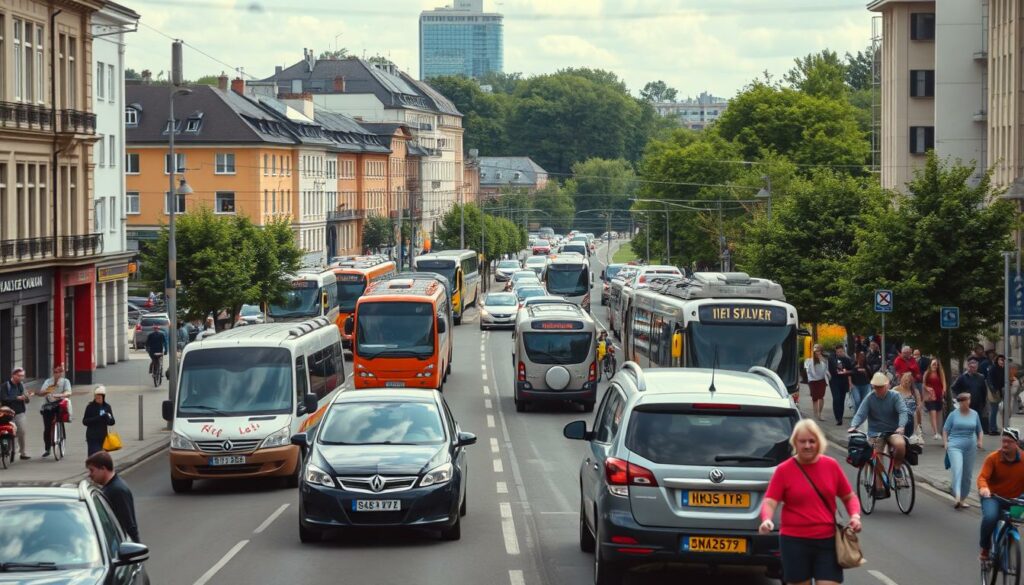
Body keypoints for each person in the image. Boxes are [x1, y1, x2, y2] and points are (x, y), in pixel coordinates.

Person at [759, 419, 862, 585]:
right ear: (795, 443)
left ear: (819, 442)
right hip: (794, 542)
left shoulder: (831, 466)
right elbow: (770, 500)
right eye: (802, 441)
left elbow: (849, 496)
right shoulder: (784, 470)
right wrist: (766, 519)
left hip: (827, 542)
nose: (807, 446)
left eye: (812, 441)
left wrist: (855, 516)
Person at [849, 372, 909, 496]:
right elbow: (860, 414)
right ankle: (880, 486)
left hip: (893, 430)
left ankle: (897, 469)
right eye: (876, 387)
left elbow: (903, 411)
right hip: (875, 432)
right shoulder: (870, 398)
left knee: (900, 444)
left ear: (887, 386)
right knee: (875, 456)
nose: (878, 389)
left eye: (881, 387)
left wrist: (901, 426)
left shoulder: (895, 396)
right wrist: (853, 426)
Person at [978, 428, 1024, 561]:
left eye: (1009, 442)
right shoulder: (993, 458)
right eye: (1003, 441)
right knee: (991, 518)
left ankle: (1008, 538)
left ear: (1016, 444)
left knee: (1015, 520)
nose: (1005, 445)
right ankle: (985, 548)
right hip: (993, 497)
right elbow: (982, 477)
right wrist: (984, 488)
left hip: (1015, 499)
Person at [85, 451, 140, 542]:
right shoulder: (109, 488)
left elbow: (129, 525)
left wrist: (136, 548)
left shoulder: (117, 491)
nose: (89, 475)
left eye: (92, 470)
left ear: (103, 469)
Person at [944, 392, 983, 509]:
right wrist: (946, 443)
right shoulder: (953, 415)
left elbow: (979, 430)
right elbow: (945, 430)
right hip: (955, 445)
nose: (966, 402)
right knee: (958, 469)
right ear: (960, 402)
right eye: (964, 401)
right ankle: (956, 497)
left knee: (967, 474)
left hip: (970, 446)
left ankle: (962, 499)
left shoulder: (974, 414)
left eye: (968, 400)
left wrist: (980, 441)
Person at [38, 365, 72, 458]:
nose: (56, 374)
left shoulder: (65, 381)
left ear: (62, 373)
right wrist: (49, 389)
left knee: (60, 419)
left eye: (59, 372)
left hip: (59, 405)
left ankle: (61, 437)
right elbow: (41, 393)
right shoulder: (48, 381)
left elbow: (68, 392)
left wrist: (62, 395)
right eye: (55, 372)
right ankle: (47, 448)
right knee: (47, 428)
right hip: (48, 405)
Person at [952, 358, 990, 433]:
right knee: (967, 424)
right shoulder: (962, 377)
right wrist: (959, 398)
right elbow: (954, 388)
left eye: (975, 367)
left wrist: (983, 403)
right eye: (971, 367)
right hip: (966, 404)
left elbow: (984, 391)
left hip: (978, 405)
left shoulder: (981, 377)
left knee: (976, 424)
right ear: (968, 366)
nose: (973, 369)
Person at [0, 367, 30, 460]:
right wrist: (17, 398)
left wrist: (27, 397)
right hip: (7, 413)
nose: (22, 378)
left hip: (19, 412)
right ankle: (7, 450)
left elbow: (26, 399)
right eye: (20, 376)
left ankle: (23, 452)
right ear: (13, 375)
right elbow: (3, 398)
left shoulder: (21, 385)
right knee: (8, 431)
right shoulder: (6, 385)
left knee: (22, 431)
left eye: (23, 376)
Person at [82, 386, 115, 456]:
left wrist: (107, 418)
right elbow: (85, 421)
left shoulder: (107, 407)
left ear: (103, 397)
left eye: (100, 396)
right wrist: (98, 418)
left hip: (103, 437)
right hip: (92, 437)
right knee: (94, 456)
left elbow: (112, 422)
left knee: (102, 458)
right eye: (96, 396)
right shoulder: (90, 407)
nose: (98, 398)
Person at [828, 345, 853, 426]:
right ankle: (838, 418)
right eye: (838, 352)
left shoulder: (847, 359)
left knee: (842, 400)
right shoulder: (832, 358)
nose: (839, 353)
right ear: (835, 352)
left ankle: (840, 417)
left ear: (843, 351)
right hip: (834, 381)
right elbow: (833, 363)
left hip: (843, 381)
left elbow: (851, 370)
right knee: (836, 398)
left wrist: (846, 372)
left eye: (841, 351)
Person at [893, 372, 923, 439]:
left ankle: (913, 433)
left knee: (914, 414)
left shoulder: (915, 392)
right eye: (905, 380)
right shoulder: (895, 390)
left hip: (911, 416)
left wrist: (918, 408)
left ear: (911, 383)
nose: (906, 383)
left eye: (909, 382)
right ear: (901, 380)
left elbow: (919, 406)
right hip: (898, 415)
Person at [923, 358, 947, 440]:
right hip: (930, 397)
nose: (935, 366)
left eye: (936, 364)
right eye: (933, 364)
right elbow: (924, 384)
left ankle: (939, 431)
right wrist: (927, 388)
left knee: (939, 415)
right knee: (933, 413)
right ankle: (936, 432)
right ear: (930, 365)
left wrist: (944, 391)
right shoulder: (927, 373)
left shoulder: (940, 373)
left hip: (939, 396)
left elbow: (944, 383)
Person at [804, 345, 830, 422]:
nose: (817, 353)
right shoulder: (809, 361)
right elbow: (807, 371)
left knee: (821, 397)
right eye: (815, 351)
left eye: (819, 351)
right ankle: (815, 414)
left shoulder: (824, 360)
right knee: (815, 398)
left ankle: (819, 414)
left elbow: (826, 367)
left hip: (821, 380)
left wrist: (821, 358)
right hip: (813, 381)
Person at [987, 355, 1007, 436]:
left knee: (997, 410)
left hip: (999, 391)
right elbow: (989, 380)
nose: (1002, 361)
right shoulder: (993, 368)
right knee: (994, 410)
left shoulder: (1003, 369)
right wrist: (993, 390)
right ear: (997, 360)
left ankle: (995, 427)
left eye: (1003, 360)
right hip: (994, 391)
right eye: (1001, 360)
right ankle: (992, 429)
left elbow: (1003, 381)